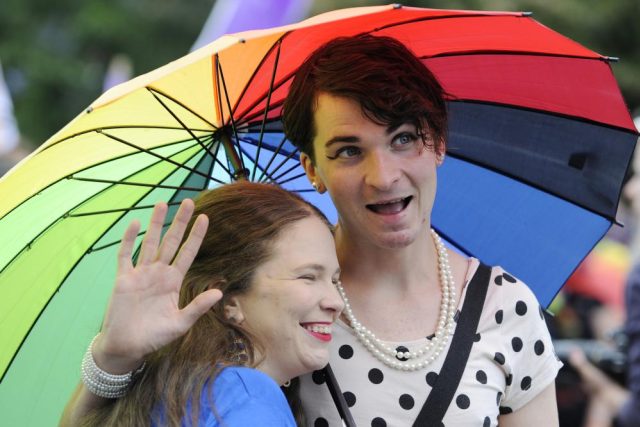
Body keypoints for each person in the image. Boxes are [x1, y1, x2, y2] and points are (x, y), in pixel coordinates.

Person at [61, 34, 562, 426]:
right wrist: (114, 356)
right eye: (348, 150)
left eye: (404, 139)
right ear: (311, 168)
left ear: (438, 144)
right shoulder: (271, 301)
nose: (383, 176)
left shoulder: (507, 309)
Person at [61, 181, 344, 426]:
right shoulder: (246, 397)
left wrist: (112, 362)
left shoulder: (178, 392)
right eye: (308, 277)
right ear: (226, 300)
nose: (336, 302)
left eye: (334, 280)